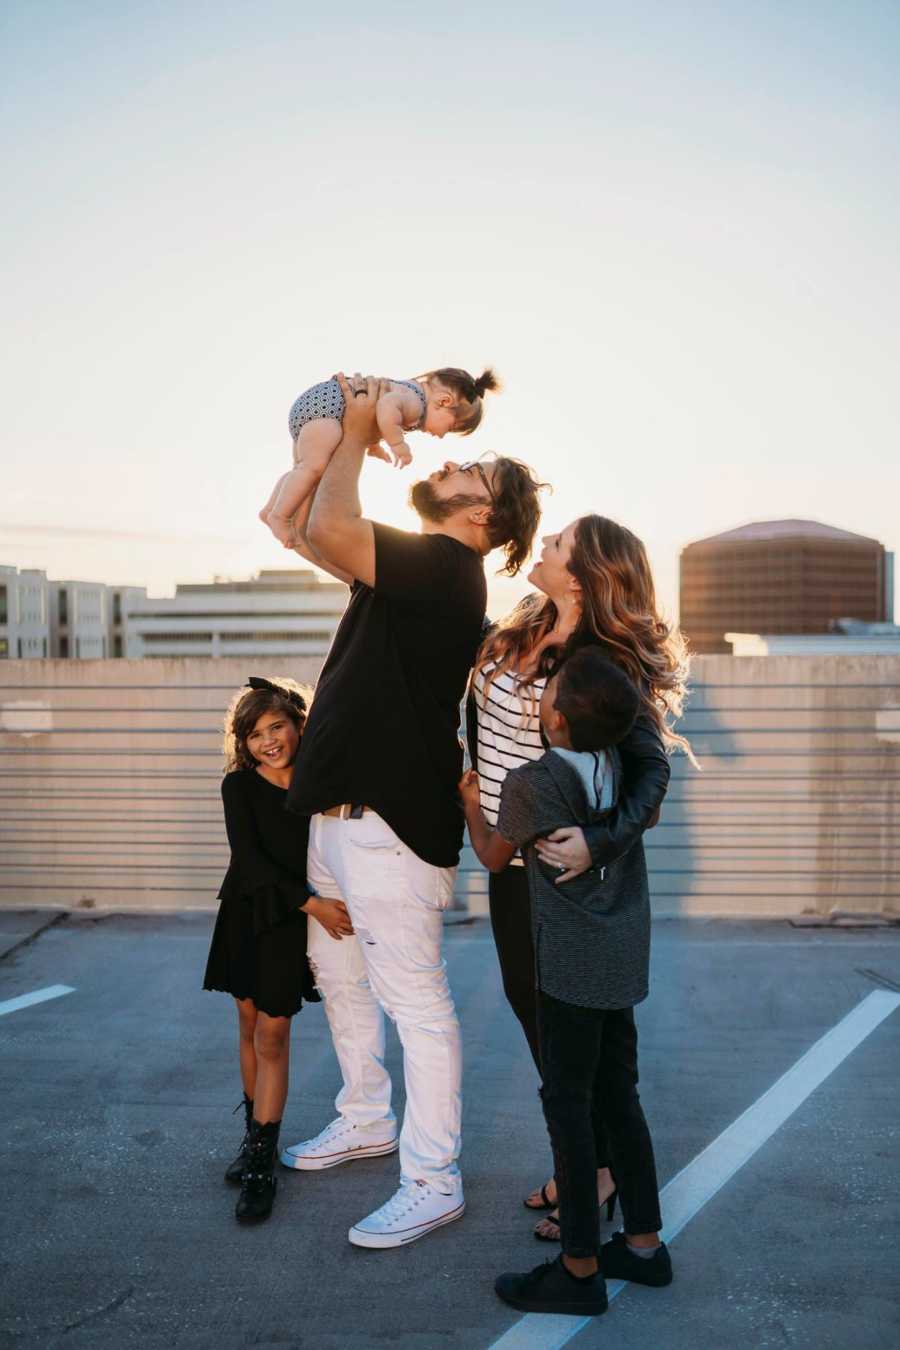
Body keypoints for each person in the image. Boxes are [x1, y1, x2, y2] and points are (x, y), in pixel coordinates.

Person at [281, 373, 546, 1248]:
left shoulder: (444, 567)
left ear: (485, 517)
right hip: (340, 814)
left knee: (416, 1006)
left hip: (393, 827)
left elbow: (328, 526)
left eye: (474, 469)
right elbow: (308, 531)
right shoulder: (417, 568)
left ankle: (432, 1179)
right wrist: (309, 478)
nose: (453, 460)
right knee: (343, 979)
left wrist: (356, 427)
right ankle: (365, 1116)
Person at [469, 513, 691, 1241]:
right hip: (511, 848)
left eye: (559, 543)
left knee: (574, 1033)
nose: (545, 545)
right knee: (534, 1011)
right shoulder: (519, 627)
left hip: (562, 873)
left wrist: (599, 843)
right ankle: (582, 1161)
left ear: (587, 575)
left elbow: (652, 771)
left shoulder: (602, 662)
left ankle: (594, 1177)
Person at [461, 647, 671, 1315]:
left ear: (553, 719)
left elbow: (496, 856)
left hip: (568, 967)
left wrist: (470, 800)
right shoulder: (619, 768)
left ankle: (578, 1268)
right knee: (621, 1100)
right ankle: (643, 1246)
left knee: (570, 1111)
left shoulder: (530, 783)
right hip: (620, 957)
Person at [202, 676, 354, 1223]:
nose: (268, 741)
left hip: (287, 925)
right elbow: (251, 859)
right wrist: (314, 905)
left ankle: (264, 1164)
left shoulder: (318, 785)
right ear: (241, 742)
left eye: (276, 727)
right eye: (254, 734)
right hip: (247, 912)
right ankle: (252, 1140)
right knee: (247, 1025)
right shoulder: (238, 787)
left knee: (273, 1034)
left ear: (297, 724)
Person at [260, 367, 500, 545]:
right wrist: (397, 443)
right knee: (312, 468)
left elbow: (373, 415)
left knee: (303, 471)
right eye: (449, 428)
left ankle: (272, 509)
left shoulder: (410, 393)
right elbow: (386, 406)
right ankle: (279, 516)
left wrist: (373, 444)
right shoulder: (415, 403)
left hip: (319, 405)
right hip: (326, 410)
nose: (441, 436)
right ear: (444, 401)